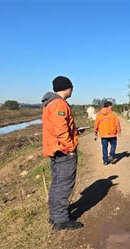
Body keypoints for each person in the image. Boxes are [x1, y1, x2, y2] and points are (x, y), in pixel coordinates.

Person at [42, 76, 83, 231]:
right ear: (67, 88)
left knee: (57, 184)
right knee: (63, 186)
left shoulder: (50, 103)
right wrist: (71, 148)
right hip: (63, 151)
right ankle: (61, 220)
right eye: (72, 87)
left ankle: (55, 216)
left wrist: (75, 131)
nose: (72, 90)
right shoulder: (59, 104)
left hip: (56, 149)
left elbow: (59, 128)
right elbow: (61, 131)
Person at [94, 101, 121, 165]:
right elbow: (117, 123)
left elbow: (96, 124)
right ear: (109, 106)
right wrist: (119, 131)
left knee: (104, 147)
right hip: (112, 134)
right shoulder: (113, 114)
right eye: (111, 106)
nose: (112, 107)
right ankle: (111, 155)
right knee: (113, 145)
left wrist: (95, 131)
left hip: (103, 134)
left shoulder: (99, 114)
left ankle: (105, 161)